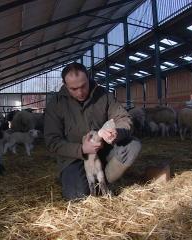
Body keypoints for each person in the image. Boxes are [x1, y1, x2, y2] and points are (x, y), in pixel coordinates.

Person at [44, 62, 142, 200]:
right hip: (75, 158)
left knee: (133, 146)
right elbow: (52, 141)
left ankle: (104, 181)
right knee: (77, 196)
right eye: (73, 88)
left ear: (88, 77)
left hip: (105, 149)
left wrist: (116, 132)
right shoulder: (56, 104)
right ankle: (81, 180)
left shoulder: (104, 95)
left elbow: (124, 118)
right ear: (65, 85)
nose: (80, 92)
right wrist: (82, 149)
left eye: (83, 86)